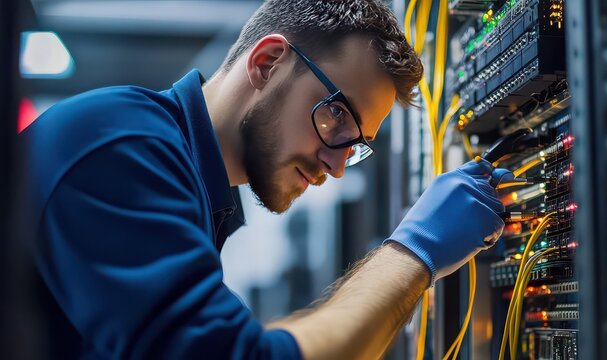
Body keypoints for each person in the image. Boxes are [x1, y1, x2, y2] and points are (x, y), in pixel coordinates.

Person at [20, 0, 506, 358]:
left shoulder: (191, 183)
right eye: (336, 115)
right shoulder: (121, 146)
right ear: (267, 62)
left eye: (355, 144)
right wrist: (414, 252)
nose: (337, 166)